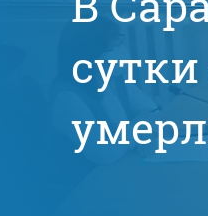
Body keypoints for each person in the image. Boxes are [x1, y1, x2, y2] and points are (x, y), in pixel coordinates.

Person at [50, 17, 160, 166]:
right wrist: (136, 129)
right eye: (113, 49)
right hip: (89, 176)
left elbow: (153, 112)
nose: (121, 53)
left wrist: (135, 132)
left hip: (122, 163)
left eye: (120, 44)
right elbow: (103, 154)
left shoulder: (112, 76)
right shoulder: (67, 98)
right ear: (90, 55)